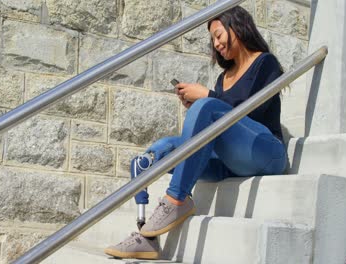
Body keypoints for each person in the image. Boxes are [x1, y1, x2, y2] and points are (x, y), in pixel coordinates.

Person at [104, 6, 287, 260]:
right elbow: (221, 121)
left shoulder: (265, 62)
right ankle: (146, 236)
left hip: (266, 152)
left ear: (237, 26)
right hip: (230, 163)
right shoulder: (224, 78)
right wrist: (203, 105)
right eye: (212, 39)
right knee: (165, 148)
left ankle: (176, 199)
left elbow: (253, 112)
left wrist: (207, 99)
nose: (216, 43)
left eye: (219, 34)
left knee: (206, 106)